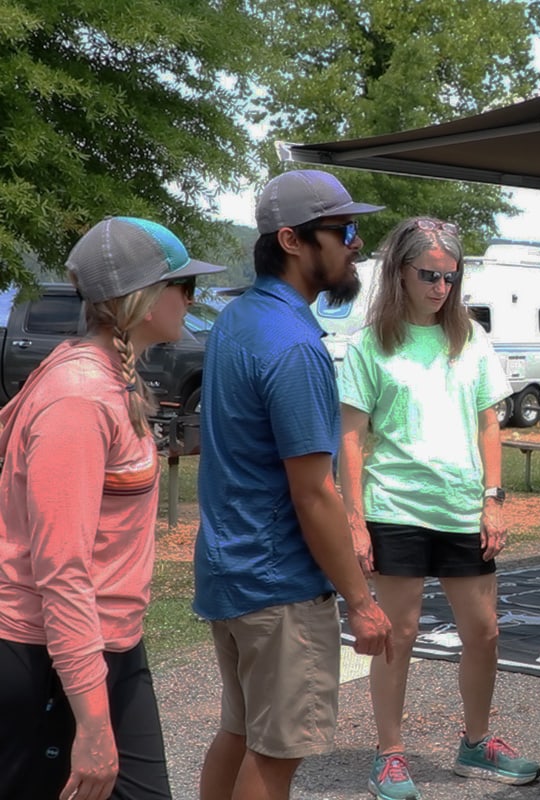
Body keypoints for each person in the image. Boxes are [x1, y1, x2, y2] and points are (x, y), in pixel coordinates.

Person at [0, 217, 223, 800]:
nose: (192, 300)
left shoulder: (108, 379)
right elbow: (61, 569)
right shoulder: (78, 397)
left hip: (110, 643)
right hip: (45, 652)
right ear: (143, 300)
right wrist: (93, 725)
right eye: (184, 287)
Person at [193, 170, 393, 800]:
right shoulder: (294, 345)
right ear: (293, 240)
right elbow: (314, 493)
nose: (356, 244)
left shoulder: (237, 320)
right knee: (277, 753)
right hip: (278, 584)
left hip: (229, 569)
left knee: (240, 732)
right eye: (344, 231)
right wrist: (360, 603)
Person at [338, 217, 540, 800]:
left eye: (450, 277)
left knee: (484, 633)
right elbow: (350, 437)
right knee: (396, 634)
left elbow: (488, 424)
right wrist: (355, 519)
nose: (440, 287)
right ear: (398, 271)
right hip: (394, 506)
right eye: (429, 274)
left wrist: (493, 500)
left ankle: (475, 743)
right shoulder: (370, 344)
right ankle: (390, 755)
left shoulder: (469, 339)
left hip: (462, 508)